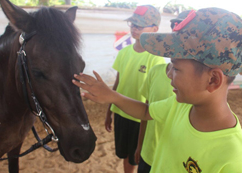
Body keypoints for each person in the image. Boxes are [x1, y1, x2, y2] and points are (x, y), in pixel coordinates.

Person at [73, 7, 242, 172]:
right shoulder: (179, 106)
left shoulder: (232, 159)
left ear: (213, 80)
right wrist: (112, 96)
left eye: (175, 68)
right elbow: (146, 111)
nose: (168, 74)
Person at [104, 5, 165, 173]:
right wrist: (109, 111)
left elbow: (151, 99)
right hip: (121, 114)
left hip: (140, 119)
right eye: (132, 24)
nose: (134, 28)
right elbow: (117, 84)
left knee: (138, 157)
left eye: (139, 25)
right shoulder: (124, 53)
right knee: (125, 156)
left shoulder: (156, 59)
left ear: (155, 29)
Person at [135, 10, 191, 173]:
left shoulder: (196, 97)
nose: (170, 76)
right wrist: (140, 145)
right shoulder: (155, 72)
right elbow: (146, 111)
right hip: (149, 154)